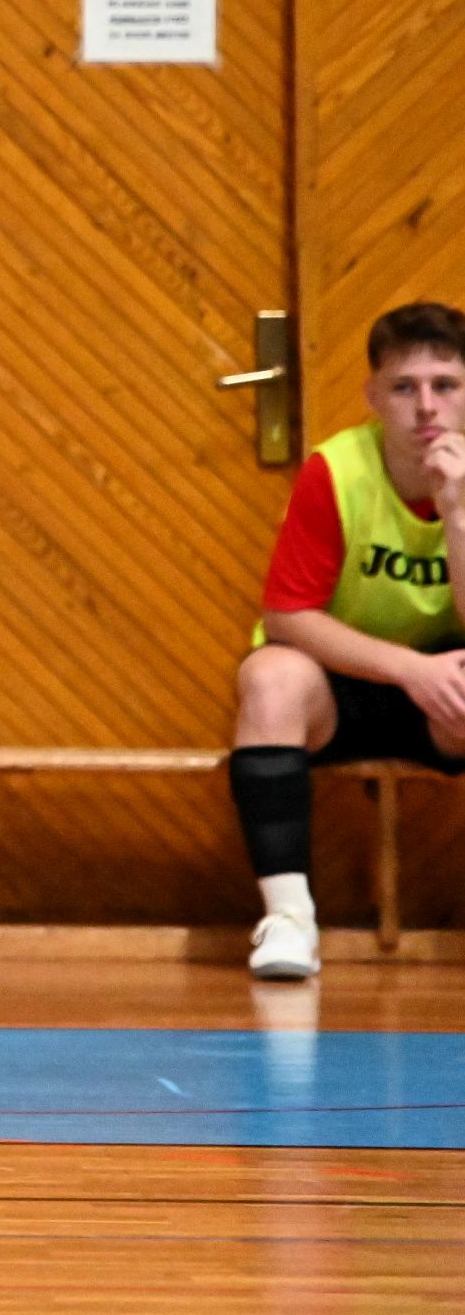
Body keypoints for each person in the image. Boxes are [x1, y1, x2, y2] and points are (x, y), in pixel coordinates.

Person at [231, 301, 465, 981]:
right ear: (373, 397)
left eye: (446, 385)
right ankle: (289, 920)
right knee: (270, 678)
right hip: (341, 682)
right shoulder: (336, 471)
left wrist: (456, 513)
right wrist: (408, 669)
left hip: (444, 694)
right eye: (404, 387)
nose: (426, 407)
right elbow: (288, 615)